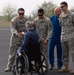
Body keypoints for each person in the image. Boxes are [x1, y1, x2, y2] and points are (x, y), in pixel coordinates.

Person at [59, 1, 74, 73]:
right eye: (60, 7)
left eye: (62, 7)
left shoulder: (72, 15)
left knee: (73, 52)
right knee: (64, 52)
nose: (61, 8)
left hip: (71, 36)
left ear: (66, 6)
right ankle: (65, 66)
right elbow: (61, 25)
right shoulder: (61, 16)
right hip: (63, 36)